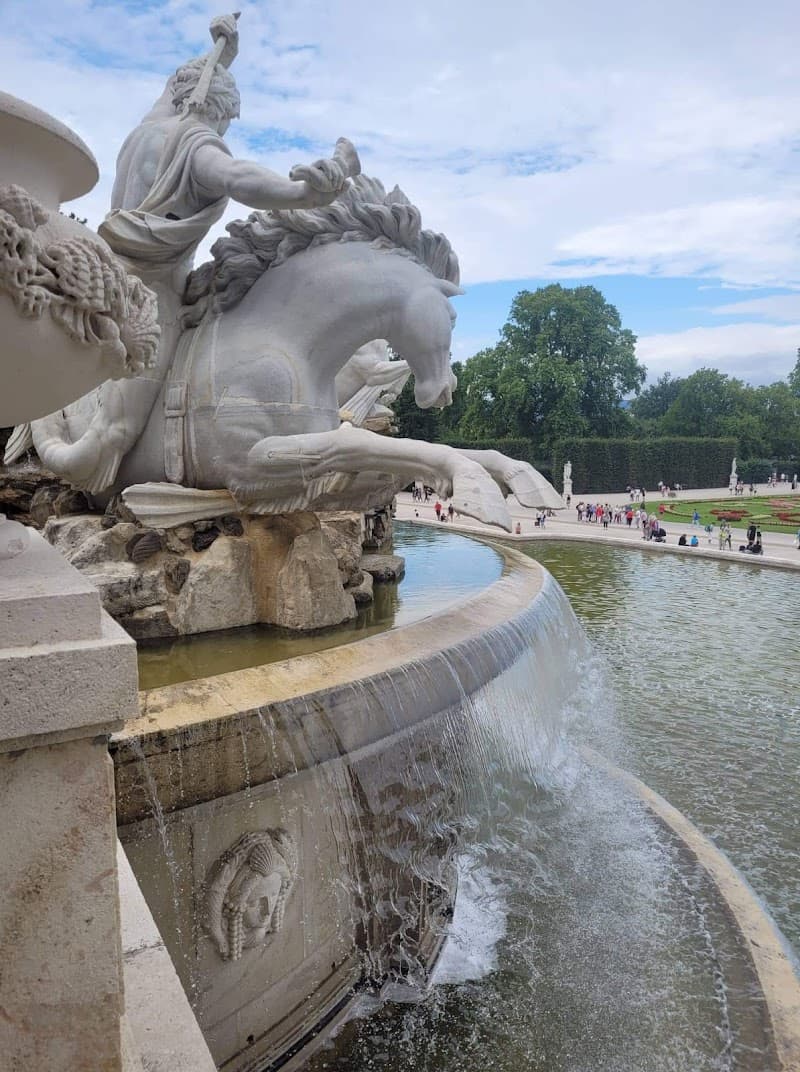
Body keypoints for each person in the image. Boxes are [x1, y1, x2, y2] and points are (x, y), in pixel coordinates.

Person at [64, 12, 357, 490]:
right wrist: (304, 195)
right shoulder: (199, 150)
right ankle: (77, 472)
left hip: (110, 275)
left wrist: (222, 56)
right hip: (148, 299)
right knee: (115, 430)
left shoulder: (148, 127)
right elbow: (244, 180)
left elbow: (175, 87)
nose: (223, 129)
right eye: (226, 120)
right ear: (221, 114)